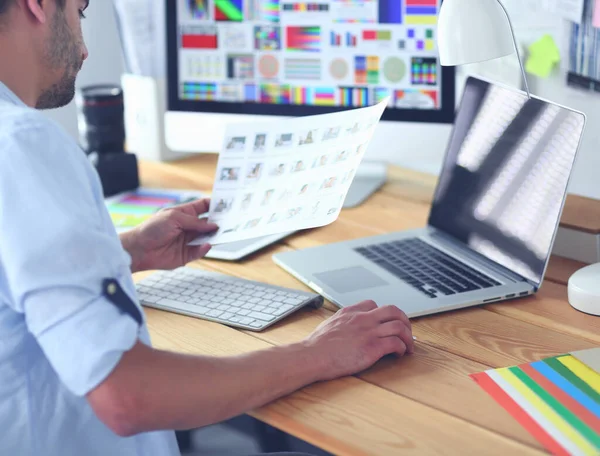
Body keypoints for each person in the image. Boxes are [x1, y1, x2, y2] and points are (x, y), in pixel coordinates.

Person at [0, 1, 414, 455]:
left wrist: (128, 251)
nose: (84, 48)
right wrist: (319, 352)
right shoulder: (22, 144)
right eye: (80, 12)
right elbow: (128, 396)